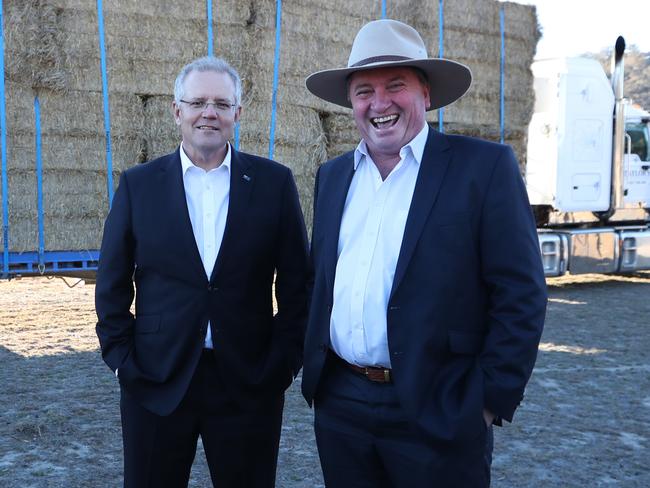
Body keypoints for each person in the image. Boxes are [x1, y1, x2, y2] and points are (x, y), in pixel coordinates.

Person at [301, 19, 547, 487]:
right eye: (364, 91)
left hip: (441, 407)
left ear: (427, 95)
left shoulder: (483, 168)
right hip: (342, 407)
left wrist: (486, 400)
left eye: (396, 86)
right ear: (350, 103)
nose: (379, 103)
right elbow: (321, 280)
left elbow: (521, 294)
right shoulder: (333, 177)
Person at [95, 56, 309, 488]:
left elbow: (298, 286)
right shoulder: (139, 185)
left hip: (248, 382)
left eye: (220, 103)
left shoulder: (274, 183)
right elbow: (112, 282)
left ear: (237, 114)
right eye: (196, 102)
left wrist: (282, 365)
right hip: (155, 380)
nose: (208, 112)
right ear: (177, 111)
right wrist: (122, 362)